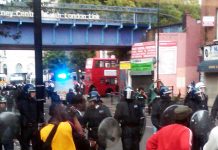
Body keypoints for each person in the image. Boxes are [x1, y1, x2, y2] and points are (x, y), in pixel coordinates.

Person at [17, 84, 42, 150]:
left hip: (34, 126)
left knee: (36, 144)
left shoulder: (35, 102)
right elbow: (22, 113)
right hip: (26, 127)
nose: (34, 93)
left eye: (34, 92)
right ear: (27, 92)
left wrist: (40, 122)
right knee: (25, 145)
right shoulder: (21, 102)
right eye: (32, 92)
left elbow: (39, 113)